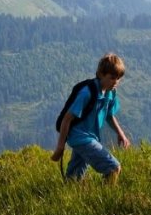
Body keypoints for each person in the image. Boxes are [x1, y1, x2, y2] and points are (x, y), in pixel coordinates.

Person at [51, 53, 131, 183]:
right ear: (101, 74)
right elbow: (67, 119)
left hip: (89, 137)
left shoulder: (111, 93)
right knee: (113, 168)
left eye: (118, 78)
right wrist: (60, 147)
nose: (115, 82)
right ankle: (108, 199)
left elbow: (109, 115)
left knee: (74, 179)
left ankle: (70, 193)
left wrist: (121, 134)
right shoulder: (87, 93)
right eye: (112, 78)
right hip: (80, 137)